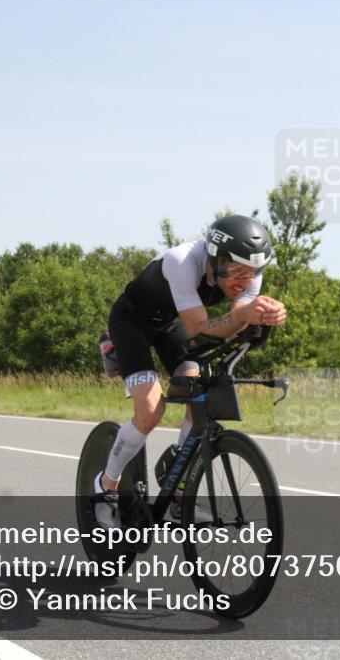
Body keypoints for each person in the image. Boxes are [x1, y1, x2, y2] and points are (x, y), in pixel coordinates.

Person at [94, 214, 287, 528]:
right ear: (215, 259)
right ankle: (106, 486)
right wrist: (245, 316)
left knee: (197, 387)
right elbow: (201, 327)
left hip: (172, 323)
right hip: (132, 323)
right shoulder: (181, 261)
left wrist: (262, 316)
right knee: (151, 410)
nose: (245, 280)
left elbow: (236, 319)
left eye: (253, 272)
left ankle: (180, 494)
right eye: (236, 270)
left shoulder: (250, 276)